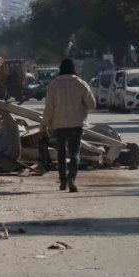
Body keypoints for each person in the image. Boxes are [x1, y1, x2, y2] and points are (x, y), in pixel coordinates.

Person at [42, 58, 95, 192]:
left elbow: (49, 108)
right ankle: (72, 178)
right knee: (74, 153)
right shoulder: (81, 84)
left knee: (61, 153)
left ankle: (63, 181)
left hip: (59, 125)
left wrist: (43, 125)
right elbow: (92, 105)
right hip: (76, 124)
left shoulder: (53, 86)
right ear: (73, 69)